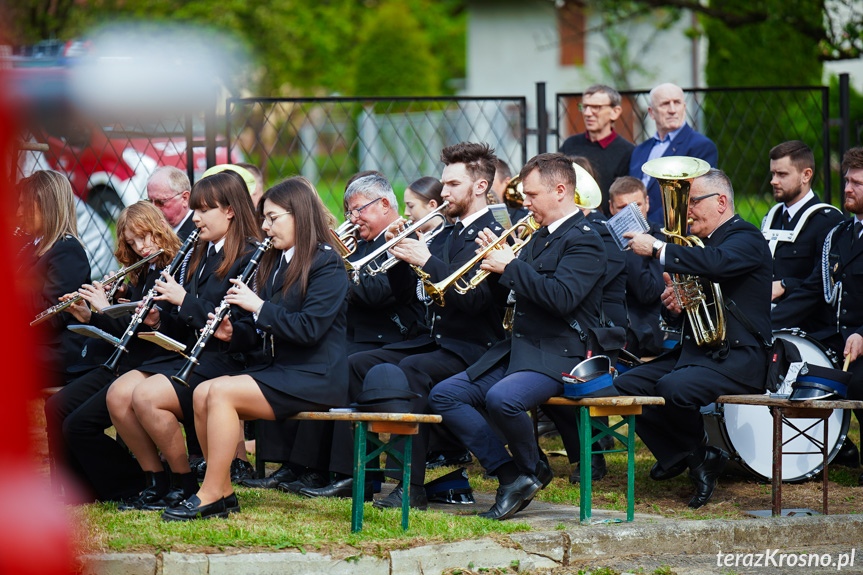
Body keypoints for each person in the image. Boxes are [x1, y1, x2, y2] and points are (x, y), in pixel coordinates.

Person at [429, 152, 607, 520]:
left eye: (531, 195)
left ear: (560, 191)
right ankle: (514, 474)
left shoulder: (587, 240)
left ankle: (529, 469)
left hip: (561, 352)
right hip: (519, 350)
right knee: (446, 394)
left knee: (502, 399)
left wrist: (510, 266)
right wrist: (498, 264)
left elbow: (562, 298)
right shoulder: (537, 236)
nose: (523, 203)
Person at [161, 176, 350, 521]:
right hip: (282, 370)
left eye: (273, 218)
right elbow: (259, 330)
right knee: (203, 391)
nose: (265, 227)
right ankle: (223, 491)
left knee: (219, 394)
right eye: (264, 218)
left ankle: (211, 492)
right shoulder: (274, 261)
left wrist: (258, 306)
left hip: (317, 375)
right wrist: (233, 332)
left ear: (300, 216)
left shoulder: (328, 264)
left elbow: (309, 329)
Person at [340, 142, 508, 510]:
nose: (443, 193)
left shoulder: (491, 233)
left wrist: (427, 259)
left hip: (475, 346)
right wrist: (401, 256)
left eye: (451, 185)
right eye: (444, 184)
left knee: (410, 370)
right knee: (358, 363)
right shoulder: (449, 234)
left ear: (479, 187)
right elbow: (411, 296)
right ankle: (364, 476)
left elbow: (474, 303)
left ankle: (410, 484)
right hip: (439, 340)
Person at [105, 169, 262, 510]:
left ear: (230, 211)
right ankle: (156, 480)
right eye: (195, 209)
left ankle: (183, 480)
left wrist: (182, 300)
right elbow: (185, 321)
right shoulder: (201, 251)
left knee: (146, 397)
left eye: (203, 210)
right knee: (118, 394)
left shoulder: (250, 255)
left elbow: (237, 325)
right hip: (191, 352)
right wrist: (159, 317)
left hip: (225, 358)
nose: (196, 218)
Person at [620, 169, 771, 509]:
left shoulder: (745, 237)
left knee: (674, 388)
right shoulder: (698, 247)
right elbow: (687, 311)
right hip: (699, 353)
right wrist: (674, 306)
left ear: (721, 202)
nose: (687, 211)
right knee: (627, 385)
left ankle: (696, 459)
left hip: (738, 358)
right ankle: (693, 455)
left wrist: (659, 248)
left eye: (694, 203)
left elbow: (717, 265)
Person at [286, 174, 427, 498]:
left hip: (391, 335)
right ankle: (304, 467)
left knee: (341, 365)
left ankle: (347, 473)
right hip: (358, 333)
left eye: (358, 210)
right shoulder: (363, 243)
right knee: (308, 359)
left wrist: (336, 270)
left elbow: (380, 294)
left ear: (385, 205)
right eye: (349, 212)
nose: (353, 218)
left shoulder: (401, 238)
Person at [45, 202, 182, 502]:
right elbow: (126, 333)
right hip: (127, 361)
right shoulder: (144, 272)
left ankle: (132, 484)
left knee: (77, 425)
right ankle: (80, 490)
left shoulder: (176, 268)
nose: (142, 247)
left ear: (160, 226)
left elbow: (150, 335)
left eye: (145, 237)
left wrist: (105, 309)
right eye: (133, 243)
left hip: (151, 366)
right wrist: (90, 316)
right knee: (56, 407)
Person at [772, 147, 863, 482]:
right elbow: (814, 289)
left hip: (860, 342)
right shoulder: (839, 235)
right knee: (797, 369)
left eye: (857, 182)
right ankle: (824, 453)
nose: (848, 189)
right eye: (847, 181)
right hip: (838, 339)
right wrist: (766, 325)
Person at [18, 170, 91, 387]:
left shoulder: (68, 250)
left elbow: (53, 318)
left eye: (26, 205)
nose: (19, 213)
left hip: (54, 353)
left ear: (46, 207)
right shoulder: (28, 246)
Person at [762, 141, 842, 310]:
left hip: (807, 326)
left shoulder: (827, 220)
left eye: (782, 174)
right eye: (773, 174)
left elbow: (823, 285)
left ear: (806, 175)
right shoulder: (772, 217)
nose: (773, 181)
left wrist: (785, 286)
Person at [629, 83, 719, 224]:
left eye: (677, 103)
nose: (672, 110)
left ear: (684, 107)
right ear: (651, 112)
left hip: (672, 233)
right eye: (665, 104)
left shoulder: (700, 146)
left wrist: (646, 227)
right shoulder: (640, 150)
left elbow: (691, 198)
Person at [608, 176, 665, 357]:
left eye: (636, 206)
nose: (630, 215)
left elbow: (647, 292)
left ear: (647, 203)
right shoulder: (602, 237)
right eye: (622, 208)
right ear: (611, 208)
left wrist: (631, 244)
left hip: (644, 333)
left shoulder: (660, 239)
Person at [560, 84, 635, 216]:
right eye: (584, 107)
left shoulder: (628, 152)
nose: (588, 113)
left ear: (615, 112)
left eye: (596, 107)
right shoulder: (570, 145)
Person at [146, 166, 196, 239]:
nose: (154, 208)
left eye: (160, 202)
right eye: (150, 201)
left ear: (185, 198)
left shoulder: (199, 232)